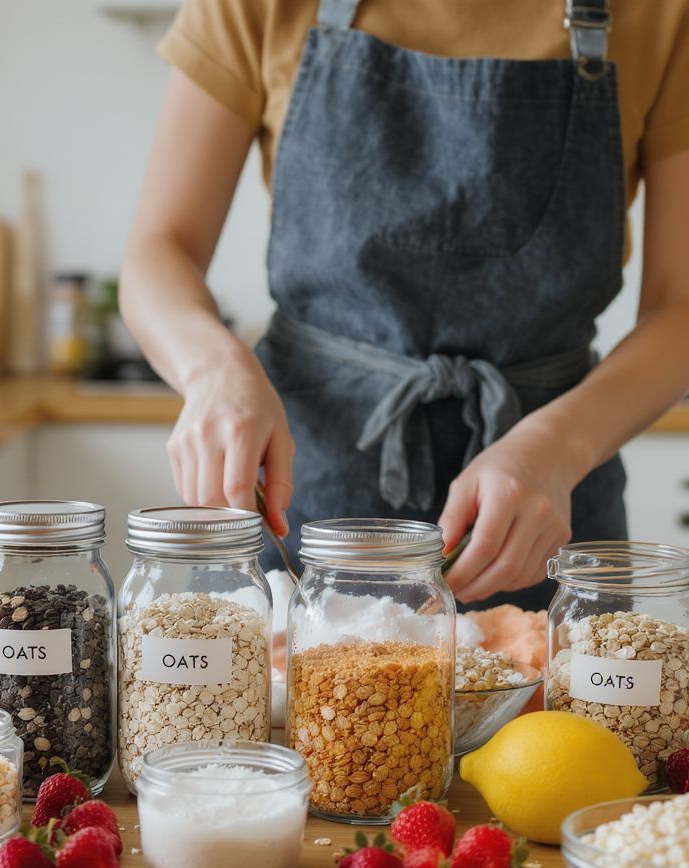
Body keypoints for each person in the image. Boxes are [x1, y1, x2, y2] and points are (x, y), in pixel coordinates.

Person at [120, 0, 689, 609]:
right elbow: (160, 250)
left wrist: (559, 447)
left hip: (547, 500)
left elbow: (678, 305)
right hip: (304, 485)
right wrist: (215, 373)